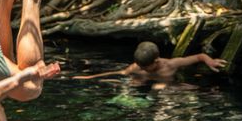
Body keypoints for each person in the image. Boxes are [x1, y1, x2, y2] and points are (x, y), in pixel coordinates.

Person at [74, 40, 227, 84]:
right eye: (142, 67)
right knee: (129, 84)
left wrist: (211, 61)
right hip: (146, 86)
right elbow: (118, 74)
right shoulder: (137, 67)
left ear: (157, 60)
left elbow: (199, 56)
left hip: (170, 87)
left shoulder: (171, 64)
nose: (145, 69)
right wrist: (90, 78)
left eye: (147, 67)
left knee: (185, 91)